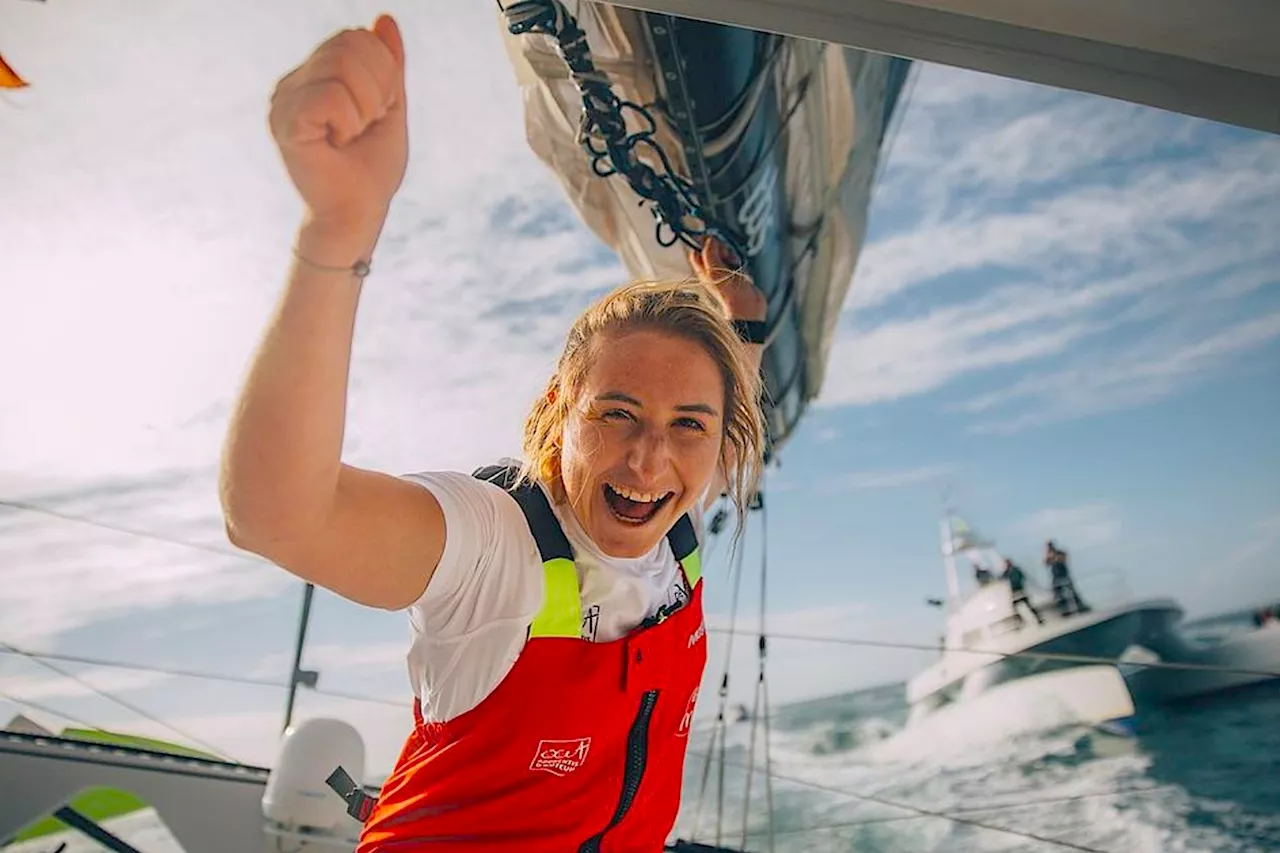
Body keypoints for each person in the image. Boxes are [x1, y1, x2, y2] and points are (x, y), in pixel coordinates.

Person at [218, 16, 769, 853]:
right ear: (559, 410)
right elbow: (278, 515)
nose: (651, 458)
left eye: (686, 425)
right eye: (615, 412)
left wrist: (746, 324)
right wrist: (339, 227)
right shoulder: (494, 540)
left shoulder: (680, 511)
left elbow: (725, 410)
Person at [1044, 540, 1089, 615]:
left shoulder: (1060, 553)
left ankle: (1081, 607)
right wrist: (1048, 556)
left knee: (1073, 592)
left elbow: (1063, 559)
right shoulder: (1049, 555)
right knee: (1058, 596)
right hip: (1056, 578)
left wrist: (1054, 557)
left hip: (1064, 576)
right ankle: (1064, 611)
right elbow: (1046, 563)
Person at [1001, 558, 1043, 626]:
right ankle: (1032, 619)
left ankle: (1036, 618)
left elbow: (1019, 578)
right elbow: (1002, 577)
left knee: (1025, 605)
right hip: (1016, 591)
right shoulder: (1008, 571)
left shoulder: (1015, 570)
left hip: (1018, 590)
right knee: (1018, 605)